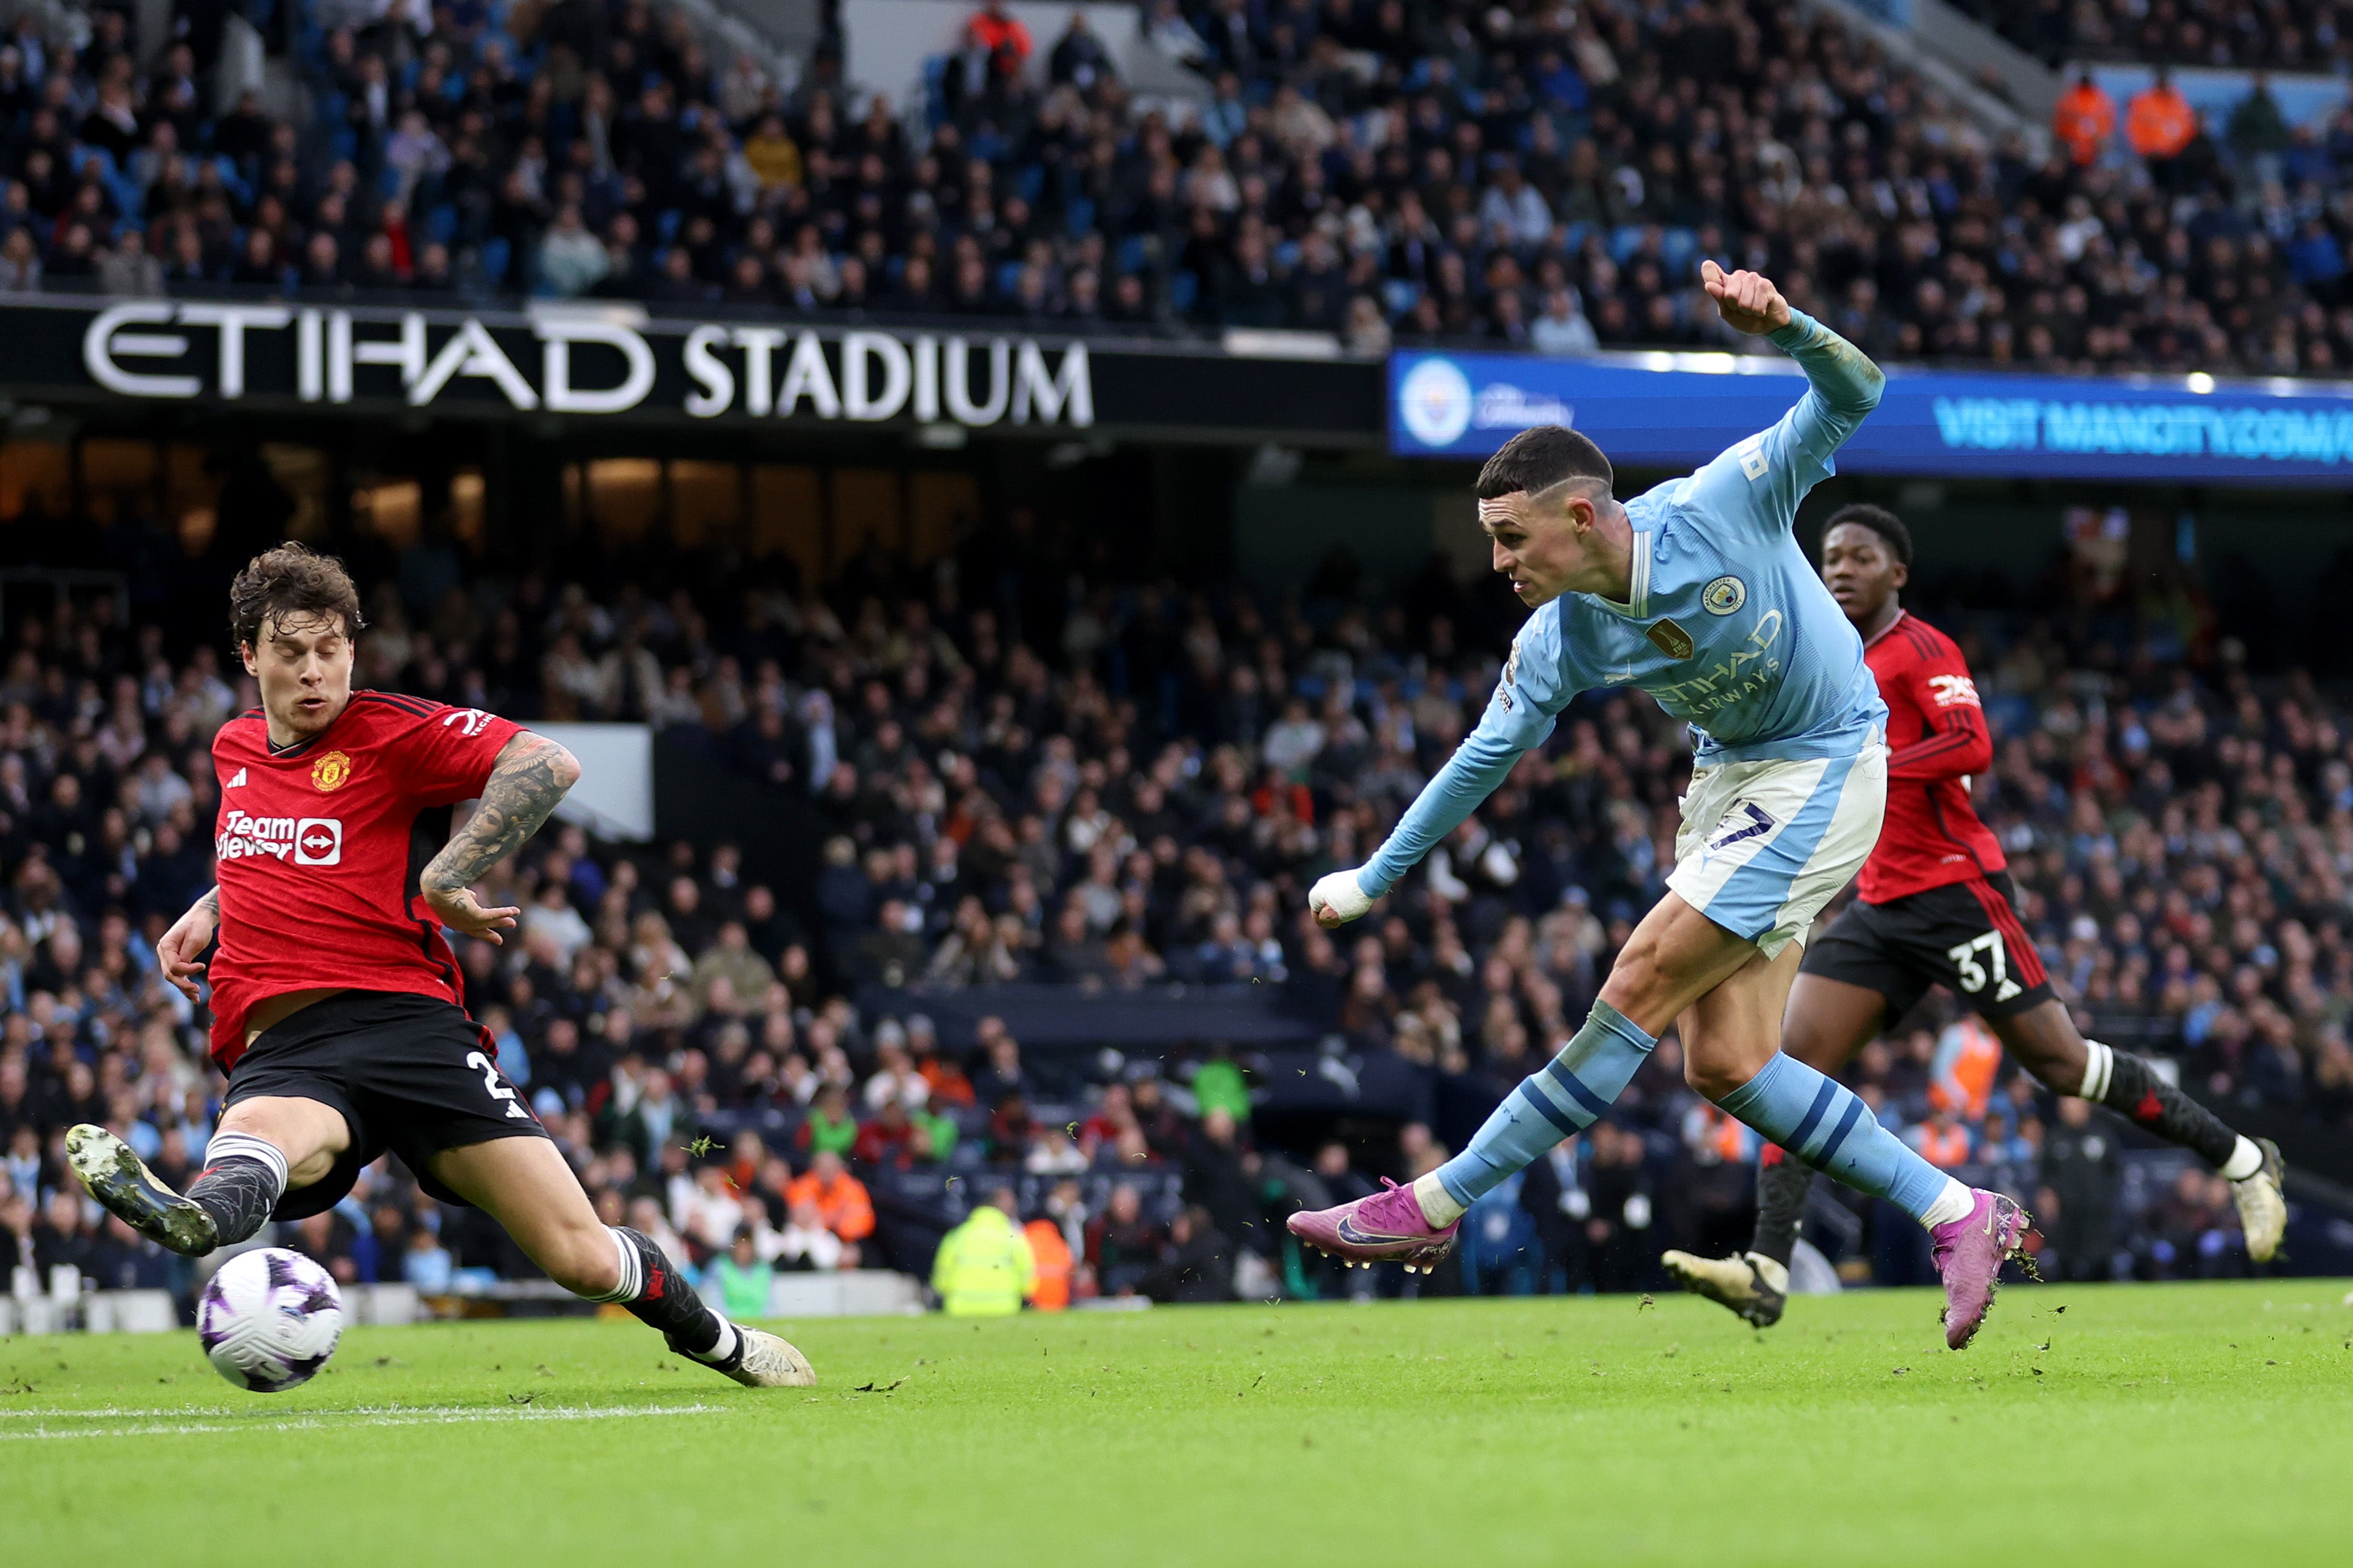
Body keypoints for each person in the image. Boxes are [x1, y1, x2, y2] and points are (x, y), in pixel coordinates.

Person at [1287, 263, 2026, 1349]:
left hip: (1825, 760)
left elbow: (1855, 392)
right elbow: (1483, 758)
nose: (1496, 561)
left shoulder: (1726, 499)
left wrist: (1786, 327)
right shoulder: (1561, 633)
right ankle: (1960, 1210)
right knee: (1723, 1063)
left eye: (1510, 537)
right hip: (1730, 780)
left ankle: (1429, 1206)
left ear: (1580, 517)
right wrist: (1373, 876)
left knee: (1632, 982)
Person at [63, 544, 812, 1387]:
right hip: (292, 1043)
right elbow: (277, 852)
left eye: (331, 648)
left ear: (352, 647)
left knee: (579, 1255)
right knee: (260, 1142)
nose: (315, 671)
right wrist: (207, 909)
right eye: (290, 651)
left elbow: (547, 761)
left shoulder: (390, 730)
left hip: (409, 1026)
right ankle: (198, 1220)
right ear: (248, 654)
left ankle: (719, 1339)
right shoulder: (233, 748)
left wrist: (447, 873)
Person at [1659, 504, 2283, 1325]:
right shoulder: (1827, 658)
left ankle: (2242, 1159)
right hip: (1879, 905)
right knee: (1786, 1064)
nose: (1840, 568)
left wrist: (1870, 757)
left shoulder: (1923, 649)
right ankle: (1767, 1266)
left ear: (1896, 573)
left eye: (1859, 556)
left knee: (2060, 1065)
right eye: (1830, 557)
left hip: (1957, 894)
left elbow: (1970, 744)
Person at [931, 1184, 1034, 1316]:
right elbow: (1028, 1278)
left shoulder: (958, 1236)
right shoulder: (1013, 1237)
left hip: (960, 1309)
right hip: (1004, 1308)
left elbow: (941, 1277)